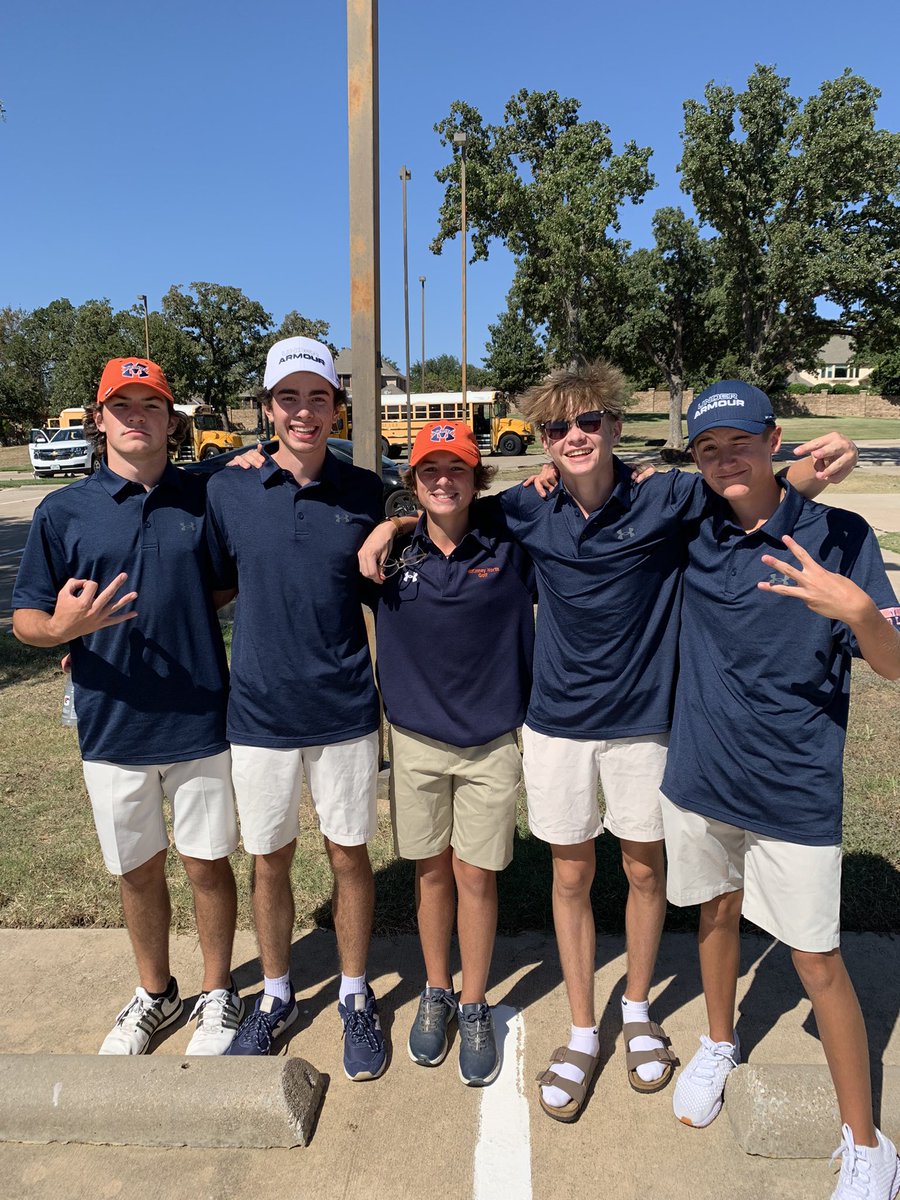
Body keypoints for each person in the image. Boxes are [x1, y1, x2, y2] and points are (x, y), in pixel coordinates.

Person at [359, 360, 858, 1122]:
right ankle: (585, 1026)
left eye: (590, 422)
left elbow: (744, 485)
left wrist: (811, 468)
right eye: (559, 427)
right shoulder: (526, 509)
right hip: (556, 723)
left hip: (645, 722)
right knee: (569, 875)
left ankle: (636, 1010)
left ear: (616, 428)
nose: (575, 437)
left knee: (643, 870)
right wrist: (392, 523)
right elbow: (448, 507)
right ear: (543, 441)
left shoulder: (669, 492)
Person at [659, 381, 900, 1199]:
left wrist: (860, 610)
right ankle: (719, 1042)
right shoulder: (694, 528)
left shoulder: (843, 535)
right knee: (714, 916)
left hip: (794, 789)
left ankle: (866, 1143)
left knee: (817, 960)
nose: (726, 459)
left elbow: (896, 664)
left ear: (774, 439)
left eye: (739, 442)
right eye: (708, 448)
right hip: (700, 777)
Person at [12, 357, 242, 1056]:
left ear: (172, 420)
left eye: (151, 404)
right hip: (111, 724)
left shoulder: (204, 499)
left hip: (201, 716)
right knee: (137, 870)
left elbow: (224, 586)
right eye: (123, 405)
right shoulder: (62, 511)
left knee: (207, 863)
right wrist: (63, 630)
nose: (136, 416)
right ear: (99, 417)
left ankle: (218, 993)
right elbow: (26, 617)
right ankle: (155, 992)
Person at [205, 336, 387, 1079]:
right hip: (259, 714)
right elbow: (203, 584)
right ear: (268, 409)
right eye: (289, 398)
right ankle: (276, 994)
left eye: (318, 397)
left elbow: (423, 539)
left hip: (344, 707)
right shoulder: (228, 487)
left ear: (336, 405)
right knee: (269, 858)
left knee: (349, 854)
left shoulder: (367, 491)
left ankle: (352, 993)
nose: (304, 411)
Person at [372, 420, 535, 1086]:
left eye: (458, 469)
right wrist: (390, 530)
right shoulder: (385, 558)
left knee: (477, 874)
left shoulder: (509, 545)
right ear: (412, 482)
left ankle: (474, 1002)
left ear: (477, 479)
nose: (444, 480)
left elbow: (552, 500)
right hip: (415, 741)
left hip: (491, 741)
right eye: (430, 471)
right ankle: (437, 990)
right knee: (431, 872)